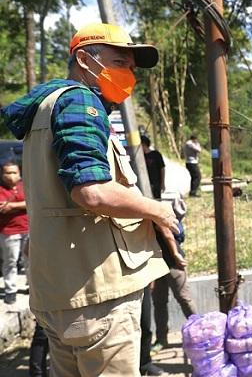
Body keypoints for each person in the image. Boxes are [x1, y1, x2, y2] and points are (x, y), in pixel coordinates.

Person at [1, 22, 178, 376]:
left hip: (60, 292)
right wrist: (160, 211)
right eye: (120, 63)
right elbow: (91, 191)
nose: (129, 75)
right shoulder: (81, 100)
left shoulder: (45, 109)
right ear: (84, 59)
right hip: (97, 295)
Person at [150, 197, 197, 354]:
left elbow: (167, 233)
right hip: (156, 265)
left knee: (184, 298)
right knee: (159, 302)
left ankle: (202, 332)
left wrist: (176, 254)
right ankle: (161, 339)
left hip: (172, 262)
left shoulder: (149, 210)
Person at [0, 162, 28, 305]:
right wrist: (22, 205)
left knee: (30, 261)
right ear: (2, 174)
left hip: (28, 229)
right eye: (8, 173)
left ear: (19, 173)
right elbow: (2, 208)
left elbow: (33, 202)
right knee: (10, 262)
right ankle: (10, 291)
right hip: (9, 232)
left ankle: (32, 286)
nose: (11, 176)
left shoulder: (26, 186)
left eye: (14, 172)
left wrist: (12, 206)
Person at [141, 135, 165, 199]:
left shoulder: (156, 154)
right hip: (144, 184)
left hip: (156, 183)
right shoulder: (139, 157)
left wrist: (162, 183)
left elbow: (162, 168)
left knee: (157, 200)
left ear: (144, 144)